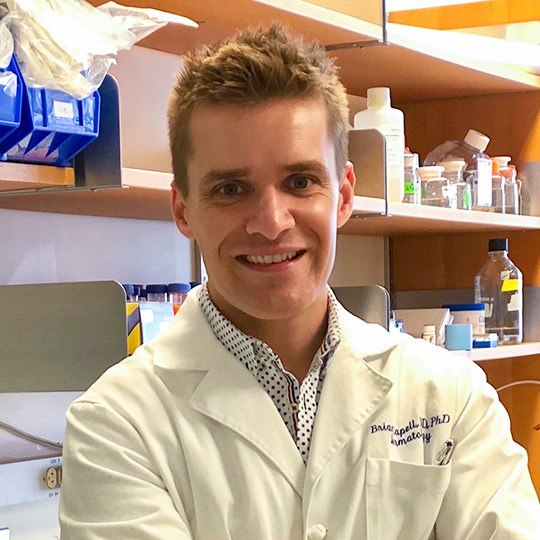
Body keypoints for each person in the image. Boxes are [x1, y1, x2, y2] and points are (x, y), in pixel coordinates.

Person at [59, 24, 540, 540]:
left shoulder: (450, 395)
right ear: (183, 209)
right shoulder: (116, 425)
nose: (271, 223)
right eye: (231, 189)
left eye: (300, 181)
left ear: (344, 195)